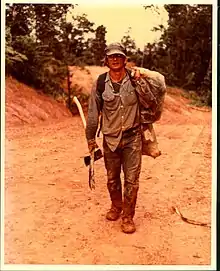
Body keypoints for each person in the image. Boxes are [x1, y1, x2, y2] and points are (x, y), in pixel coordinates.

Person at [85, 42, 165, 234]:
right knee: (112, 179)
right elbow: (93, 113)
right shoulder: (100, 82)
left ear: (125, 59)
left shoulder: (135, 79)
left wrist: (141, 82)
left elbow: (151, 103)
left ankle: (128, 216)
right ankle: (116, 206)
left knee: (131, 180)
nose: (115, 59)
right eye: (111, 56)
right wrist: (90, 140)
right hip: (110, 140)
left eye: (119, 56)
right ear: (106, 60)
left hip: (132, 138)